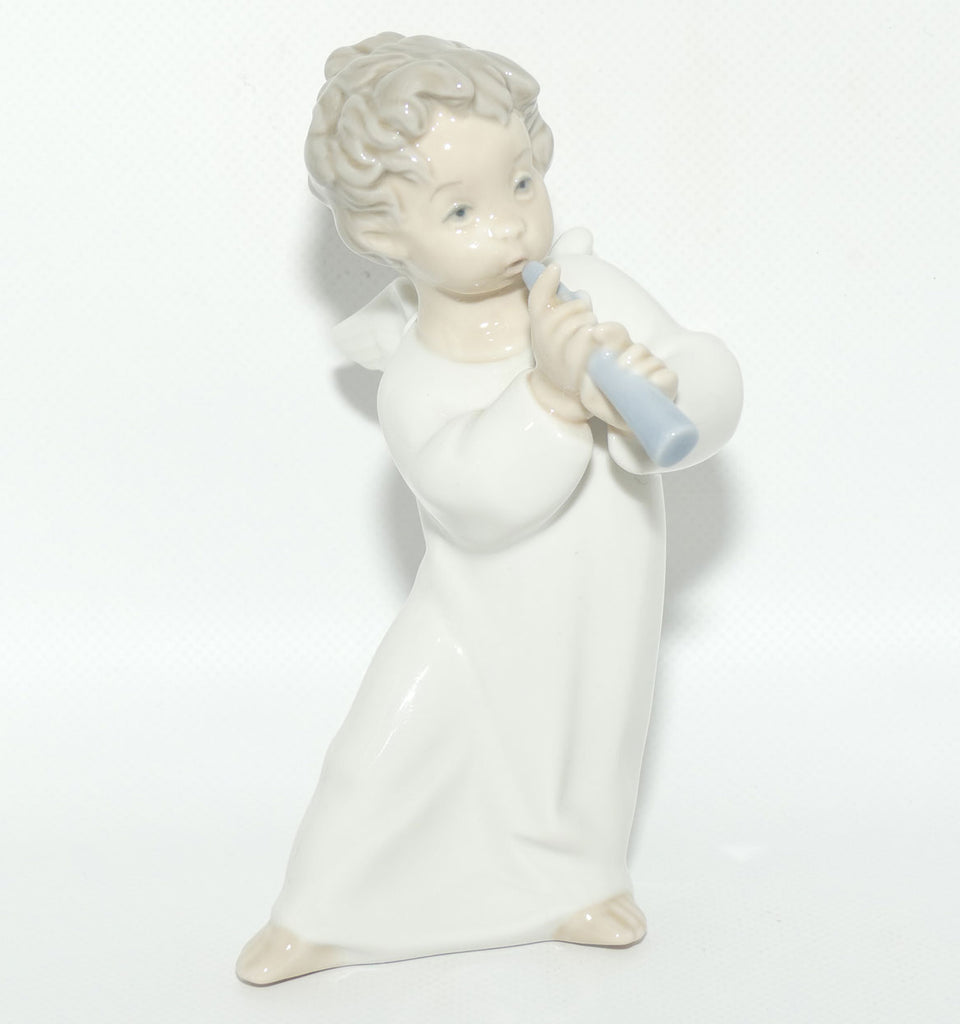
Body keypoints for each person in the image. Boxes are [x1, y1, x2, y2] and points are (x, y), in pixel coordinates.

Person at [236, 32, 742, 984]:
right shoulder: (416, 376)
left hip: (600, 593)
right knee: (386, 747)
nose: (511, 226)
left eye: (521, 184)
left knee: (585, 741)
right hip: (478, 614)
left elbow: (707, 371)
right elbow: (480, 503)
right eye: (462, 209)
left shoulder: (591, 293)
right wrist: (549, 396)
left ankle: (580, 884)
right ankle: (321, 912)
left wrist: (666, 383)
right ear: (386, 236)